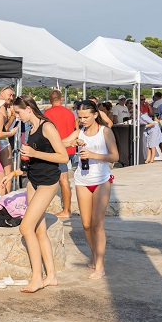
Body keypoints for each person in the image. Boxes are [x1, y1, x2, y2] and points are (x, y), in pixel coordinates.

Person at [12, 95, 68, 293]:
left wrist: (34, 154)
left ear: (28, 108)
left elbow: (63, 156)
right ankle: (50, 276)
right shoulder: (31, 127)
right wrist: (19, 170)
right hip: (33, 179)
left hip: (47, 181)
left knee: (25, 228)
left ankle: (36, 278)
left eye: (18, 112)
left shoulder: (47, 127)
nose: (17, 116)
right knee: (38, 230)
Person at [62, 100, 119, 280]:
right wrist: (73, 142)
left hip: (102, 180)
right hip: (82, 180)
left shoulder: (105, 132)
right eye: (80, 117)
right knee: (86, 224)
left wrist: (93, 155)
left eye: (86, 117)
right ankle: (94, 253)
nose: (82, 120)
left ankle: (100, 266)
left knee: (97, 224)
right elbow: (60, 143)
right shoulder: (80, 132)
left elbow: (115, 156)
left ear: (95, 115)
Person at [43, 90, 76, 219]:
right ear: (61, 99)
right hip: (70, 149)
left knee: (63, 180)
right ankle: (65, 208)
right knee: (64, 180)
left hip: (57, 150)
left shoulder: (47, 113)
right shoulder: (70, 113)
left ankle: (66, 210)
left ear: (49, 100)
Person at [0, 86, 19, 178]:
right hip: (2, 141)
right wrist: (13, 116)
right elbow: (3, 128)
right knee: (7, 172)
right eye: (10, 95)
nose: (12, 98)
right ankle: (7, 192)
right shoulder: (1, 107)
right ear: (1, 94)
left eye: (12, 95)